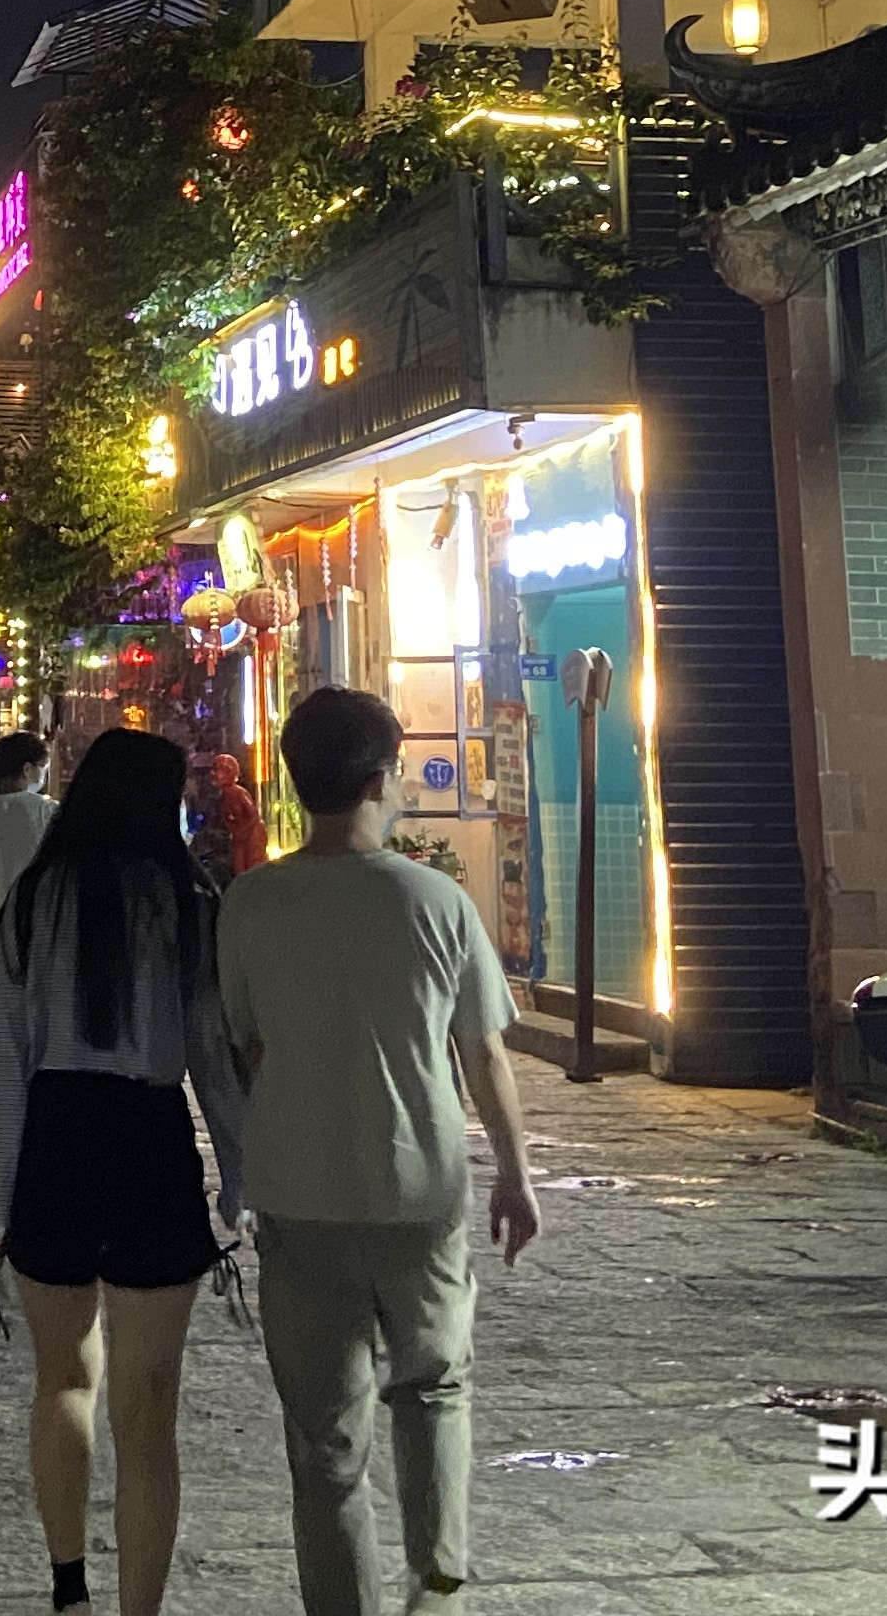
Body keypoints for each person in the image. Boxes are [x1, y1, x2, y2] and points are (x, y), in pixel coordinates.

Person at [214, 689, 533, 1616]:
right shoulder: (435, 901)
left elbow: (246, 1045)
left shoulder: (250, 903)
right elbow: (483, 1054)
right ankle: (437, 1589)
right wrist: (514, 1175)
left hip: (298, 1193)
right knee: (433, 1393)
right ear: (379, 780)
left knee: (324, 1441)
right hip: (419, 1190)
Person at [0, 728, 245, 1616]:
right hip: (149, 1139)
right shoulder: (186, 901)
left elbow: (3, 1057)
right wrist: (240, 1177)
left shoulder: (35, 898)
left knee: (62, 1378)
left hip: (56, 1138)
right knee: (148, 1410)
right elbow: (212, 1056)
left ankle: (68, 1588)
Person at [0, 731, 58, 948]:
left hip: (0, 925)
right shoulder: (48, 812)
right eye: (43, 769)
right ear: (27, 769)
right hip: (40, 923)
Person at [194, 754, 266, 893]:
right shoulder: (224, 795)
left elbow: (253, 815)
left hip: (252, 834)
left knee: (253, 866)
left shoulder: (239, 793)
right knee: (240, 868)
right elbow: (227, 819)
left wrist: (243, 831)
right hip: (239, 836)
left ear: (228, 772)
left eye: (218, 770)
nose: (214, 774)